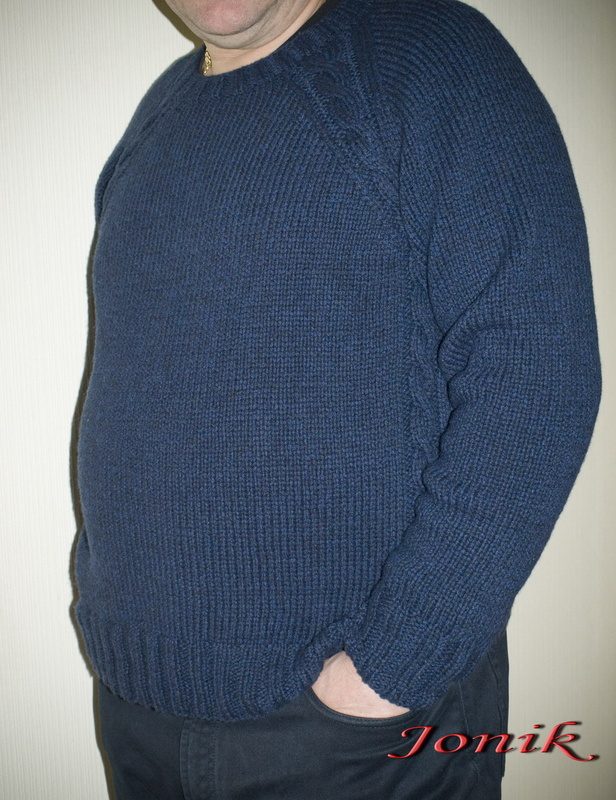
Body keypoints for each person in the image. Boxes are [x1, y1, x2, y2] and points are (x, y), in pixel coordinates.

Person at [72, 0, 601, 797]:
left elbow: (537, 370)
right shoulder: (160, 113)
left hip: (353, 735)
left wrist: (389, 671)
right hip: (137, 710)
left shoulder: (423, 54)